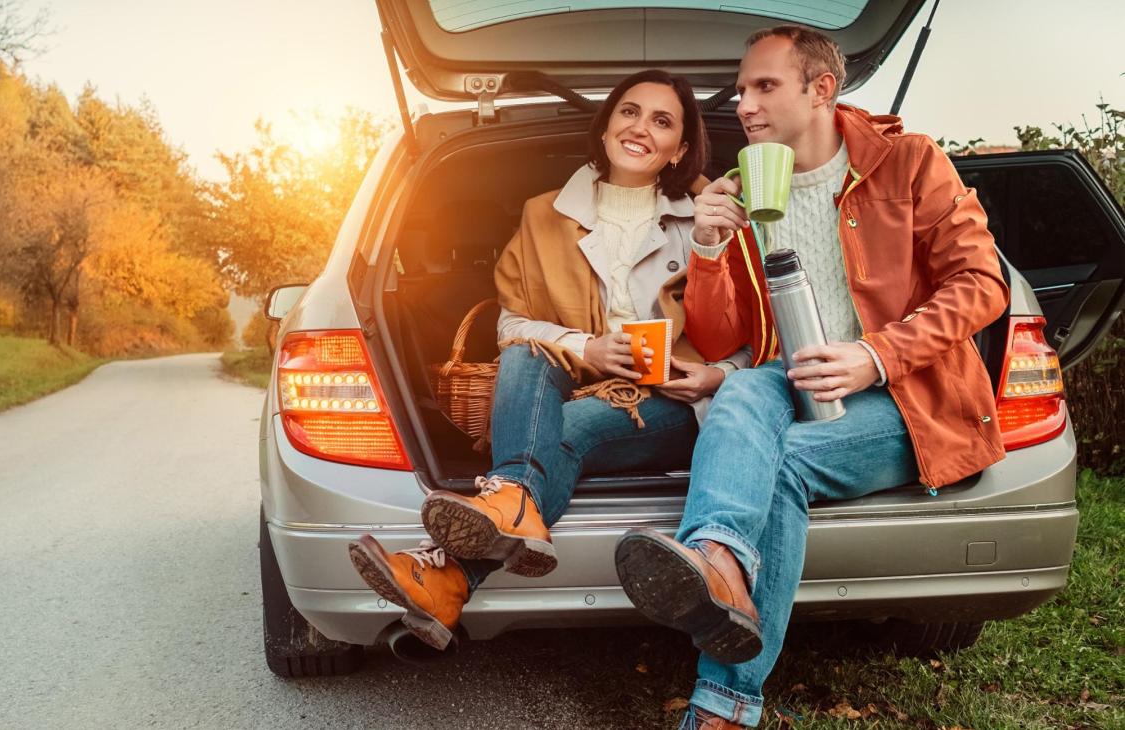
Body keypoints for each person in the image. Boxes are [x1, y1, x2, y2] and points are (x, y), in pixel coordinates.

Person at [612, 26, 1010, 730]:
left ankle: (725, 705)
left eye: (764, 86)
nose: (744, 104)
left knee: (784, 466)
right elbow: (717, 338)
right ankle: (721, 560)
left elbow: (981, 283)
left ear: (821, 89)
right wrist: (707, 246)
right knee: (739, 386)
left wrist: (876, 355)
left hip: (909, 399)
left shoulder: (909, 163)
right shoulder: (741, 188)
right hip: (787, 378)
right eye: (740, 90)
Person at [347, 69, 750, 652]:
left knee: (568, 431)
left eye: (662, 121)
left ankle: (456, 567)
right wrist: (587, 346)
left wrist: (721, 375)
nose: (641, 128)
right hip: (573, 381)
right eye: (629, 112)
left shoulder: (710, 217)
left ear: (680, 150)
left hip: (672, 402)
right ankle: (511, 506)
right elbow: (511, 323)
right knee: (523, 354)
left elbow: (759, 332)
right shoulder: (543, 215)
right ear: (607, 125)